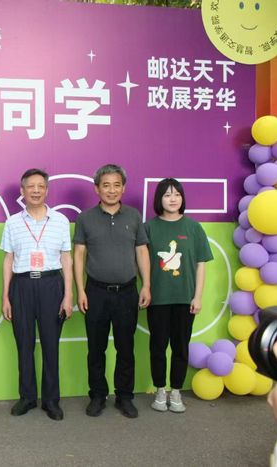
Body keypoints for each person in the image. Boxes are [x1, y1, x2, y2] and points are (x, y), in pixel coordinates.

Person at [73, 164, 151, 419]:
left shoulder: (134, 216)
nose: (111, 190)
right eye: (105, 185)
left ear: (123, 188)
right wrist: (80, 290)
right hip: (95, 292)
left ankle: (124, 396)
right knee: (96, 349)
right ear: (97, 189)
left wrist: (146, 285)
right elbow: (79, 255)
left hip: (127, 292)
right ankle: (97, 395)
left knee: (125, 348)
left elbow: (142, 252)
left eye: (116, 185)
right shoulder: (85, 218)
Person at [0, 169, 73, 421]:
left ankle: (51, 400)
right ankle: (27, 397)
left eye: (41, 186)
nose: (36, 190)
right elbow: (8, 259)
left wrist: (68, 295)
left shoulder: (61, 221)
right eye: (30, 186)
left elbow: (66, 258)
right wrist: (5, 296)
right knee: (24, 344)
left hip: (52, 284)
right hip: (21, 286)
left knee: (51, 345)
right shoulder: (12, 223)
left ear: (47, 190)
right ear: (22, 191)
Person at [145, 178, 212, 413]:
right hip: (158, 299)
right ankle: (160, 390)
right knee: (158, 346)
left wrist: (198, 296)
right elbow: (142, 263)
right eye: (167, 195)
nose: (172, 199)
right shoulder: (149, 227)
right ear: (159, 199)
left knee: (181, 347)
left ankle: (175, 391)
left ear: (182, 198)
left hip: (185, 299)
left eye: (177, 194)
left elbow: (201, 265)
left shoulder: (193, 227)